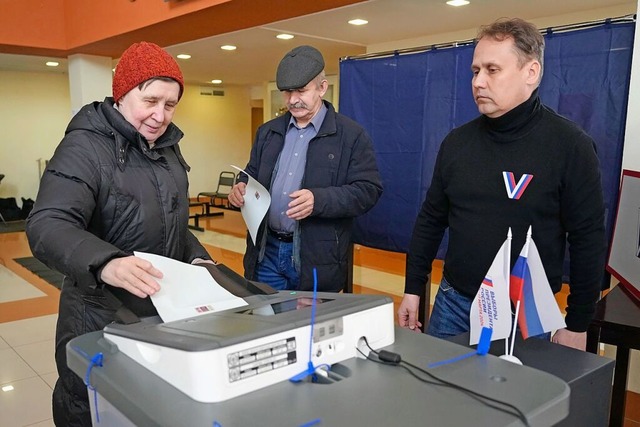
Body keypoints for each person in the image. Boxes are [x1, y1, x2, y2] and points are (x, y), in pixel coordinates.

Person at [26, 41, 215, 426]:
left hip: (159, 314)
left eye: (170, 105)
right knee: (93, 407)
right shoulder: (85, 146)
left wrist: (195, 256)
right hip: (97, 316)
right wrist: (107, 262)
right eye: (150, 101)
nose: (159, 115)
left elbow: (171, 221)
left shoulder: (167, 149)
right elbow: (47, 224)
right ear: (123, 93)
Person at [397, 18, 605, 351]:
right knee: (438, 399)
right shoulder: (456, 143)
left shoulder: (570, 146)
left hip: (525, 314)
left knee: (517, 403)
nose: (478, 81)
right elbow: (431, 219)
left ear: (531, 73)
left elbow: (588, 240)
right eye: (475, 71)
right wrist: (412, 287)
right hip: (454, 304)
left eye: (492, 70)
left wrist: (578, 323)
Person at [228, 45, 382, 292]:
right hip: (266, 251)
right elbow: (251, 172)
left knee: (310, 327)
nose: (292, 100)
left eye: (301, 90)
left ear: (322, 88)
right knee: (268, 325)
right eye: (286, 92)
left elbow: (368, 190)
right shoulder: (268, 132)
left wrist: (318, 200)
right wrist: (241, 185)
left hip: (316, 257)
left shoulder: (351, 135)